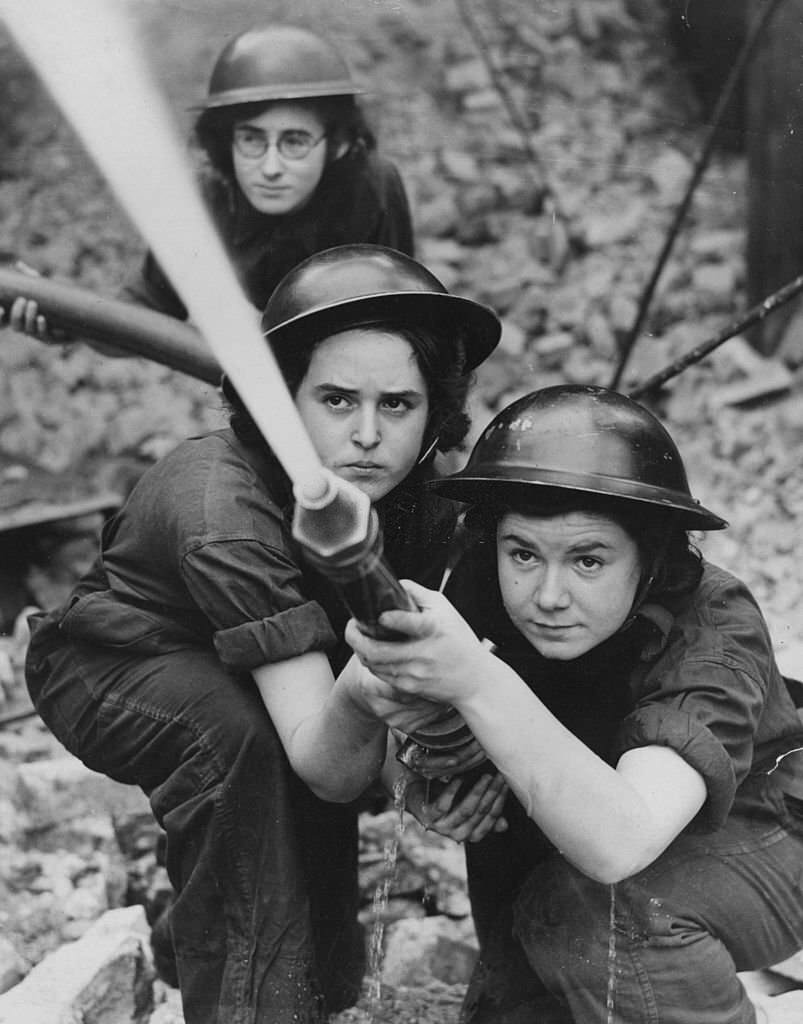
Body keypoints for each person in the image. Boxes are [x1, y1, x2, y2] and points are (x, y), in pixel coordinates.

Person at [23, 244, 503, 1024]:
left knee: (282, 766)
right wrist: (383, 710)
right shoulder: (223, 515)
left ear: (433, 410)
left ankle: (297, 974)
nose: (369, 435)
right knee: (235, 743)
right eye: (338, 401)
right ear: (282, 398)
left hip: (267, 665)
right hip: (113, 662)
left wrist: (436, 768)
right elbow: (330, 764)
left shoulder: (422, 500)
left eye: (399, 405)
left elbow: (364, 732)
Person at [346, 384, 803, 1024]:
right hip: (589, 827)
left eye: (588, 560)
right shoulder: (486, 578)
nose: (549, 595)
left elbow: (622, 840)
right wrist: (432, 775)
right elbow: (404, 747)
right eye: (523, 554)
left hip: (766, 830)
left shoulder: (713, 636)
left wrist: (479, 684)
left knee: (589, 916)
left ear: (651, 560)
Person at [2, 24, 414, 337]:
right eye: (252, 140)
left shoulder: (372, 187)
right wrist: (66, 320)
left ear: (338, 143)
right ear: (225, 141)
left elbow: (410, 325)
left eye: (295, 142)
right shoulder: (205, 200)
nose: (270, 167)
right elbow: (145, 313)